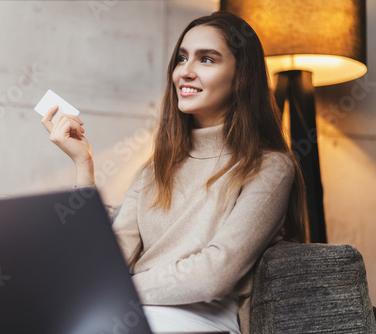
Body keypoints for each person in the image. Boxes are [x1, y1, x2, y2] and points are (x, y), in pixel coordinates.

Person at [42, 11, 309, 334]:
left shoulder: (270, 167)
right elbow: (101, 267)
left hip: (200, 319)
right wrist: (83, 168)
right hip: (129, 311)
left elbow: (213, 276)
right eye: (182, 58)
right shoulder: (156, 168)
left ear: (241, 77)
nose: (186, 71)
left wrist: (118, 290)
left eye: (206, 60)